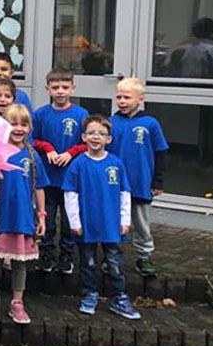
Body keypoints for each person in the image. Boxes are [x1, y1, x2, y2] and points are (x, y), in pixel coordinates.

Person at [64, 115, 142, 320]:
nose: (95, 137)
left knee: (115, 263)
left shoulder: (116, 164)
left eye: (101, 133)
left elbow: (125, 193)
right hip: (87, 225)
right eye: (91, 132)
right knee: (88, 263)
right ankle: (89, 295)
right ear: (83, 137)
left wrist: (124, 221)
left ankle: (119, 298)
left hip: (111, 226)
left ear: (109, 139)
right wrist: (75, 222)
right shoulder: (78, 164)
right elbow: (70, 195)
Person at [0, 105, 47, 326]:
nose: (18, 128)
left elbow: (39, 187)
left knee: (20, 263)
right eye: (13, 123)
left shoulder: (33, 155)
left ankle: (17, 302)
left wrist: (42, 217)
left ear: (30, 127)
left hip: (24, 218)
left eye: (23, 124)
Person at [109, 78, 167, 278]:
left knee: (141, 222)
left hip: (141, 183)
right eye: (119, 97)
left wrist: (157, 181)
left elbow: (160, 152)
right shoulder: (111, 122)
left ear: (140, 99)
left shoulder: (150, 124)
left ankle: (144, 256)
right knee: (115, 220)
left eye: (127, 97)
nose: (122, 101)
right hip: (115, 184)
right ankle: (113, 256)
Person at [31, 69, 88, 275]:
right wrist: (48, 148)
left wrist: (71, 153)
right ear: (48, 89)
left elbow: (87, 143)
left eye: (65, 87)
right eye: (55, 88)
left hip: (70, 179)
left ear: (73, 88)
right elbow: (32, 140)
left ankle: (66, 255)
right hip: (48, 178)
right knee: (46, 216)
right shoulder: (40, 114)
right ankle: (46, 253)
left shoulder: (81, 115)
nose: (60, 91)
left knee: (68, 219)